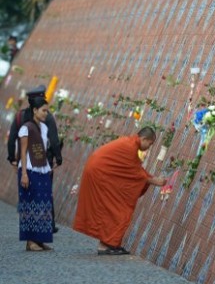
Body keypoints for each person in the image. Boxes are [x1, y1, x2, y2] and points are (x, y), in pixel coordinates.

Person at [73, 127, 167, 255]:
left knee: (113, 206)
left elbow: (135, 170)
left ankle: (110, 243)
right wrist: (154, 181)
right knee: (117, 208)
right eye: (149, 144)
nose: (148, 148)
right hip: (100, 175)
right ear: (144, 139)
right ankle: (106, 244)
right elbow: (136, 173)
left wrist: (150, 178)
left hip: (100, 173)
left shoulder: (129, 142)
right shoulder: (130, 147)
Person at [7, 85, 63, 233]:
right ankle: (46, 225)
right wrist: (58, 157)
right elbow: (54, 139)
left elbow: (12, 138)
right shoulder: (47, 117)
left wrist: (12, 157)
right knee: (44, 193)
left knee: (30, 194)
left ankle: (35, 228)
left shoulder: (19, 116)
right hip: (39, 162)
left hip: (28, 162)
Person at [18, 97, 56, 251]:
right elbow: (23, 151)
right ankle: (30, 241)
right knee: (30, 204)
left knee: (44, 206)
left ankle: (40, 240)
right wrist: (24, 174)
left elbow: (44, 150)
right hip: (30, 170)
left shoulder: (45, 128)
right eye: (43, 110)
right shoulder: (26, 128)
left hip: (43, 170)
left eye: (47, 110)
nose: (46, 113)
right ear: (34, 110)